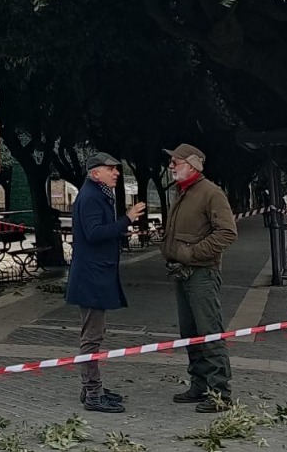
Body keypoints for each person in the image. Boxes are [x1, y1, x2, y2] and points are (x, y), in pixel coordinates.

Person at [65, 151, 146, 413]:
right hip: (91, 277)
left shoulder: (98, 194)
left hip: (97, 273)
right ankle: (92, 393)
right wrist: (127, 219)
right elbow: (94, 232)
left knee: (95, 334)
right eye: (111, 169)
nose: (116, 173)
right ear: (95, 172)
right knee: (92, 337)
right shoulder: (90, 197)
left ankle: (91, 386)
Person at [160, 143, 239, 412]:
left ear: (192, 165)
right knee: (191, 333)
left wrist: (191, 253)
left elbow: (227, 233)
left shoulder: (211, 193)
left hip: (202, 274)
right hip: (182, 273)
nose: (171, 166)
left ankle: (219, 393)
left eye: (176, 162)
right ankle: (200, 384)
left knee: (209, 332)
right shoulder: (183, 192)